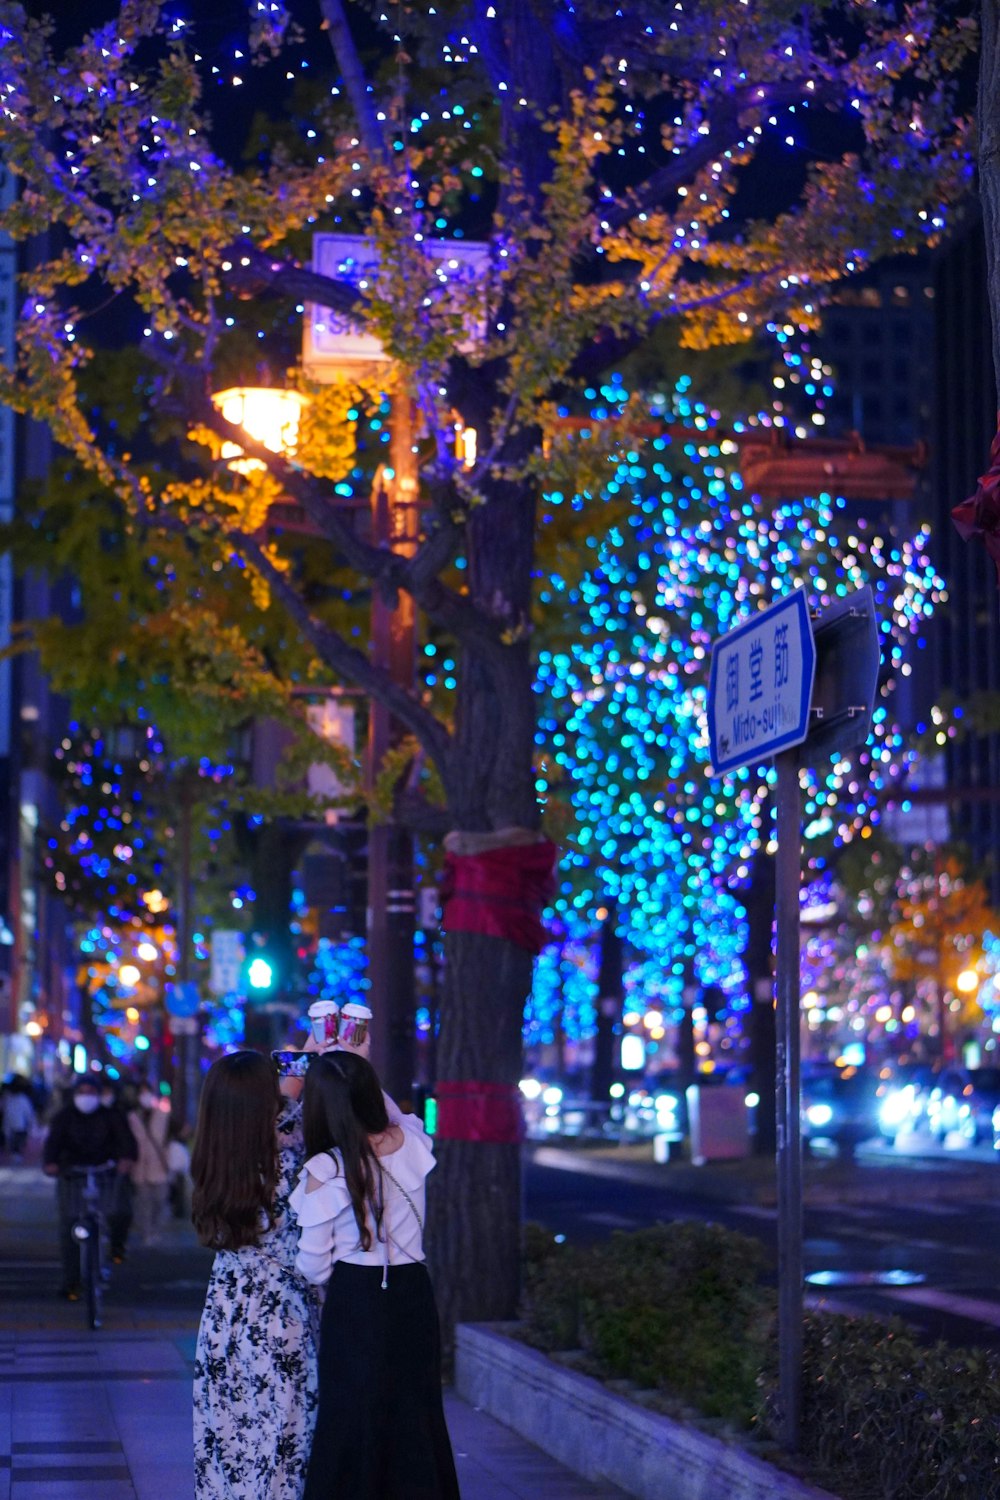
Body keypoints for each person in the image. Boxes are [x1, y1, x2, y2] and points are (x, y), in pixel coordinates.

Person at [292, 1051, 461, 1500]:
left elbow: (311, 1265)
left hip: (355, 1294)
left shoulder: (325, 1169)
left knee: (352, 1414)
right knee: (415, 1410)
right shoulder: (412, 1141)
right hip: (411, 1290)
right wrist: (356, 1062)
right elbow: (389, 1110)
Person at [191, 1050, 320, 1500]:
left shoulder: (216, 1164)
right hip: (279, 1317)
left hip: (225, 1316)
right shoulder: (291, 1167)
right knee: (282, 1446)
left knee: (228, 1443)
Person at [42, 1075, 138, 1299]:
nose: (86, 1097)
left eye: (90, 1092)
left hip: (105, 1174)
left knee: (119, 1211)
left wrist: (125, 1160)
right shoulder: (64, 1117)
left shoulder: (111, 1116)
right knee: (69, 1228)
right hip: (72, 1176)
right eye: (81, 1092)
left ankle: (115, 1246)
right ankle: (72, 1282)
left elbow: (126, 1142)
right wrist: (51, 1164)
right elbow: (52, 1144)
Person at [128, 1083, 171, 1246]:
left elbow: (174, 1133)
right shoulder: (132, 1117)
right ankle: (146, 1232)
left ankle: (156, 1229)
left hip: (159, 1165)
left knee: (160, 1199)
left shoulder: (163, 1114)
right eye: (142, 1092)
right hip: (139, 1167)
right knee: (143, 1202)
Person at [2, 1076, 35, 1159]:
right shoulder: (20, 1098)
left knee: (14, 1143)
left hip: (13, 1124)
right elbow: (28, 1113)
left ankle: (15, 1156)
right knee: (15, 1143)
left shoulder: (10, 1098)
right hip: (18, 1124)